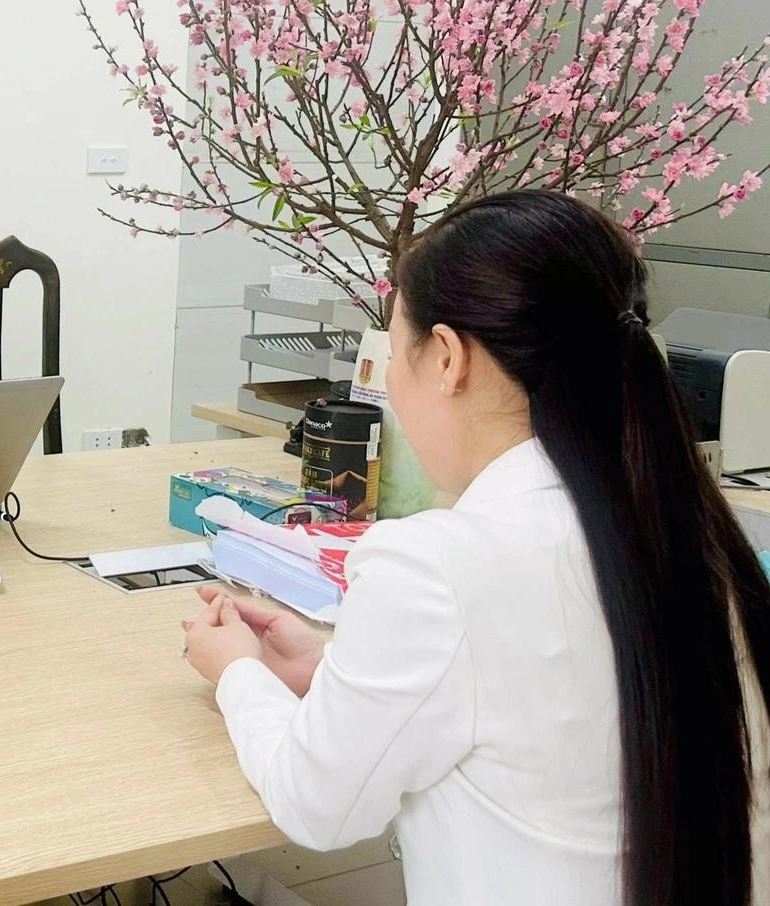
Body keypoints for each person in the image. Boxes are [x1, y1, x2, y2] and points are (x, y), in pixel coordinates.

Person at [183, 190, 770, 906]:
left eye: (395, 350)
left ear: (448, 359)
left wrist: (237, 672)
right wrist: (333, 669)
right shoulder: (695, 535)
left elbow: (315, 804)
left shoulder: (436, 566)